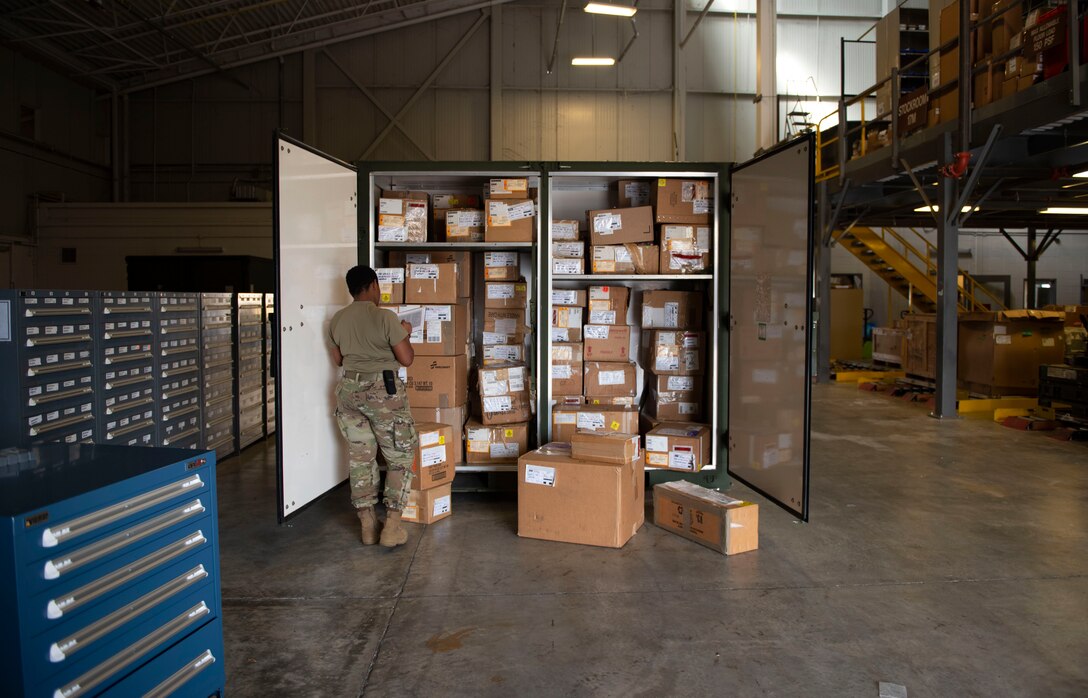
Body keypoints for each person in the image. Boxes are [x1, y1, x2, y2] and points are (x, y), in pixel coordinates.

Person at [328, 265, 418, 548]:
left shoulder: (338, 319)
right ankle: (391, 527)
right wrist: (405, 334)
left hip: (348, 393)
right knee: (400, 457)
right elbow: (406, 359)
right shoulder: (385, 318)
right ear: (374, 285)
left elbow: (338, 360)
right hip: (383, 394)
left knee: (361, 458)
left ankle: (367, 525)